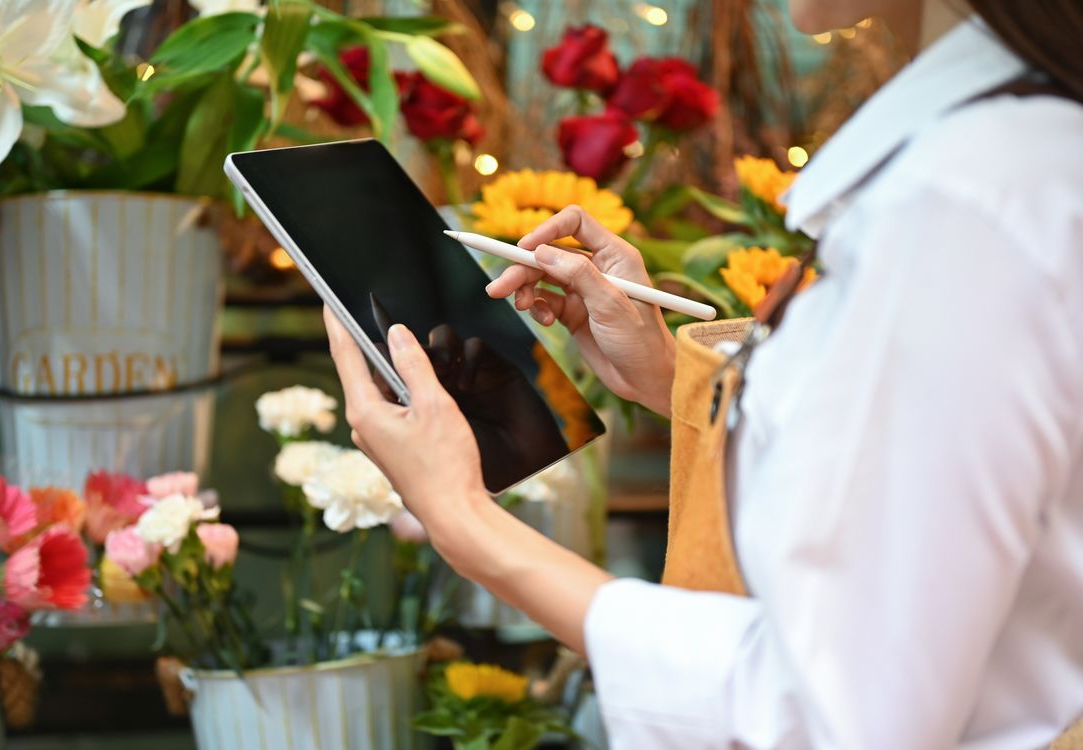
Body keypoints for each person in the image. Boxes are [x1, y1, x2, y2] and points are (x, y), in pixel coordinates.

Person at [322, 0, 1083, 746]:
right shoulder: (1012, 154)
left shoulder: (959, 207)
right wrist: (664, 376)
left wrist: (463, 520)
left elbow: (826, 717)